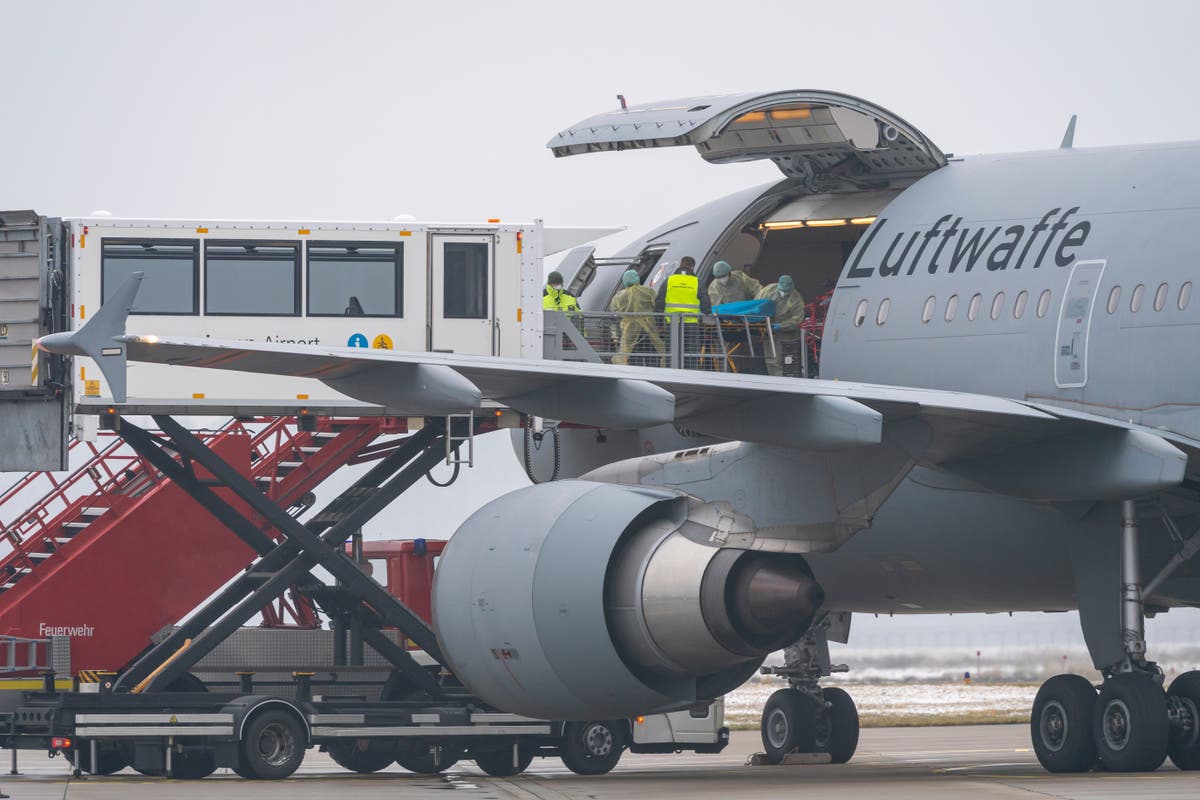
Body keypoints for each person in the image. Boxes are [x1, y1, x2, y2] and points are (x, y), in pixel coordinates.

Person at [608, 269, 664, 366]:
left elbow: (613, 313)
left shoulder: (619, 296)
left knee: (630, 355)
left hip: (629, 331)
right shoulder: (649, 291)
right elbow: (659, 307)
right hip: (648, 329)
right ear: (637, 278)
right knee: (652, 354)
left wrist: (615, 335)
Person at [756, 274, 806, 377]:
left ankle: (786, 383)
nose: (784, 293)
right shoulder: (769, 290)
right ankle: (775, 382)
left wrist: (782, 326)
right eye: (782, 290)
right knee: (772, 359)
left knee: (787, 362)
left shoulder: (796, 299)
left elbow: (797, 320)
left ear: (792, 287)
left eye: (786, 291)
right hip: (770, 332)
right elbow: (757, 304)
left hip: (788, 336)